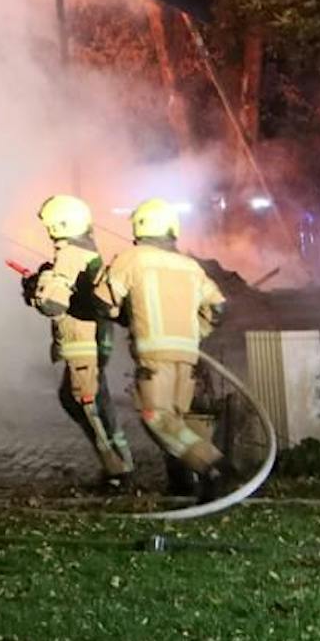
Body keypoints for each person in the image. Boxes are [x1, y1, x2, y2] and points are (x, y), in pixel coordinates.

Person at [95, 197, 228, 497]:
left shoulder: (133, 258)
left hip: (154, 357)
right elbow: (218, 308)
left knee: (157, 418)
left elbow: (104, 303)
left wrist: (125, 314)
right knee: (176, 422)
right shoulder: (190, 266)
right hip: (187, 356)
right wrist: (194, 333)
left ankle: (214, 465)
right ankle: (183, 484)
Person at [21, 192, 135, 490]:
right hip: (90, 339)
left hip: (83, 342)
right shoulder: (83, 251)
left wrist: (38, 288)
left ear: (60, 225)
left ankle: (118, 472)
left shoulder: (71, 254)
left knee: (88, 404)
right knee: (79, 400)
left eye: (49, 226)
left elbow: (53, 304)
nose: (48, 231)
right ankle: (118, 463)